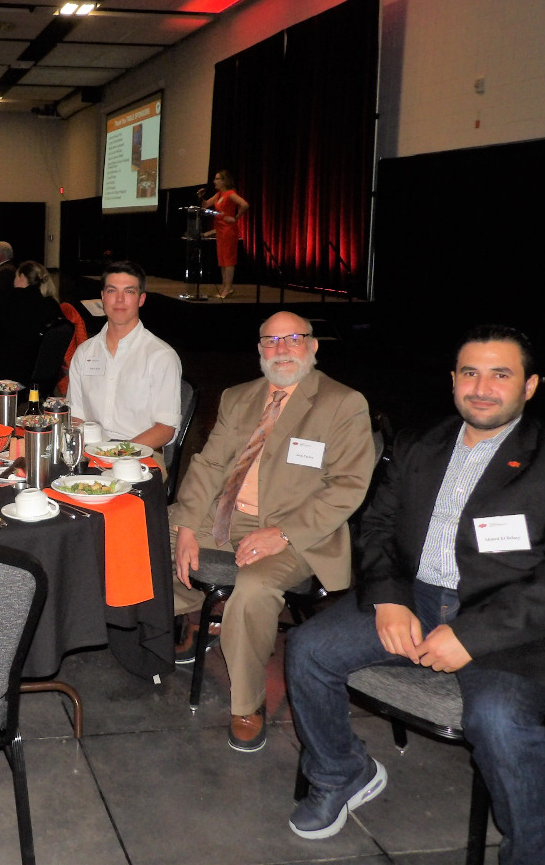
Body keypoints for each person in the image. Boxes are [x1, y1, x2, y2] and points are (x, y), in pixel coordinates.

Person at [284, 327, 545, 862]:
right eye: (469, 373)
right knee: (307, 649)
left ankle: (535, 852)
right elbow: (378, 528)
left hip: (512, 623)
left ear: (529, 386)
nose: (482, 387)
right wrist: (389, 598)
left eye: (500, 374)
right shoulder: (418, 444)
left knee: (499, 721)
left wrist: (470, 634)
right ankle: (343, 773)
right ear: (452, 381)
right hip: (414, 599)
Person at [171, 311, 373, 752]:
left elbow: (349, 487)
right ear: (259, 349)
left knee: (254, 588)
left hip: (300, 531)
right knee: (146, 536)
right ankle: (191, 614)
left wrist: (281, 534)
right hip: (227, 515)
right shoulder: (239, 396)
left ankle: (247, 703)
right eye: (270, 341)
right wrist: (187, 525)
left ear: (313, 345)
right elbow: (207, 464)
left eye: (292, 338)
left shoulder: (343, 402)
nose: (281, 349)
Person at [67, 261, 180, 449]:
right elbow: (75, 416)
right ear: (102, 297)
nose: (119, 300)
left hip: (140, 455)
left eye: (129, 292)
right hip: (90, 452)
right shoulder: (84, 353)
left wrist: (117, 455)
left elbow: (165, 428)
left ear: (141, 299)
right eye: (112, 291)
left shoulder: (161, 356)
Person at [0, 260, 64, 384]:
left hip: (14, 367)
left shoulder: (18, 298)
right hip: (40, 367)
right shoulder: (51, 303)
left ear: (22, 277)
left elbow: (4, 326)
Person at [199, 169, 248, 299]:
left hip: (229, 230)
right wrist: (201, 197)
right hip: (220, 230)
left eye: (217, 179)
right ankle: (225, 286)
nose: (214, 181)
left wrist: (236, 217)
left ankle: (228, 287)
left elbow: (244, 204)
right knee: (222, 260)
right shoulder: (219, 194)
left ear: (224, 180)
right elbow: (205, 205)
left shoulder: (230, 194)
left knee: (228, 260)